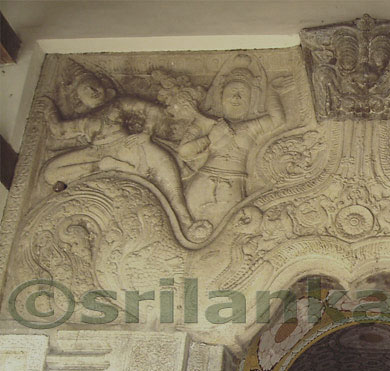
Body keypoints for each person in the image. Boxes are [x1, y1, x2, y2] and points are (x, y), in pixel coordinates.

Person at [41, 61, 212, 242]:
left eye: (94, 85)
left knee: (172, 186)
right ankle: (104, 167)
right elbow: (58, 131)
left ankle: (187, 223)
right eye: (85, 89)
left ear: (105, 87)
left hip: (127, 146)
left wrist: (146, 133)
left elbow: (151, 110)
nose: (92, 91)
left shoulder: (119, 104)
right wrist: (46, 107)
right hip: (97, 153)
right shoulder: (84, 121)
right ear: (78, 98)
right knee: (51, 172)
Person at [168, 54, 286, 225]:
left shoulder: (251, 127)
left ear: (252, 99)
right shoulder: (203, 124)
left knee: (229, 231)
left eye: (242, 93)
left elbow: (278, 120)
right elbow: (184, 151)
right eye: (232, 92)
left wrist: (273, 91)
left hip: (233, 184)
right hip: (202, 182)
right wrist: (209, 138)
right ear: (220, 96)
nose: (236, 98)